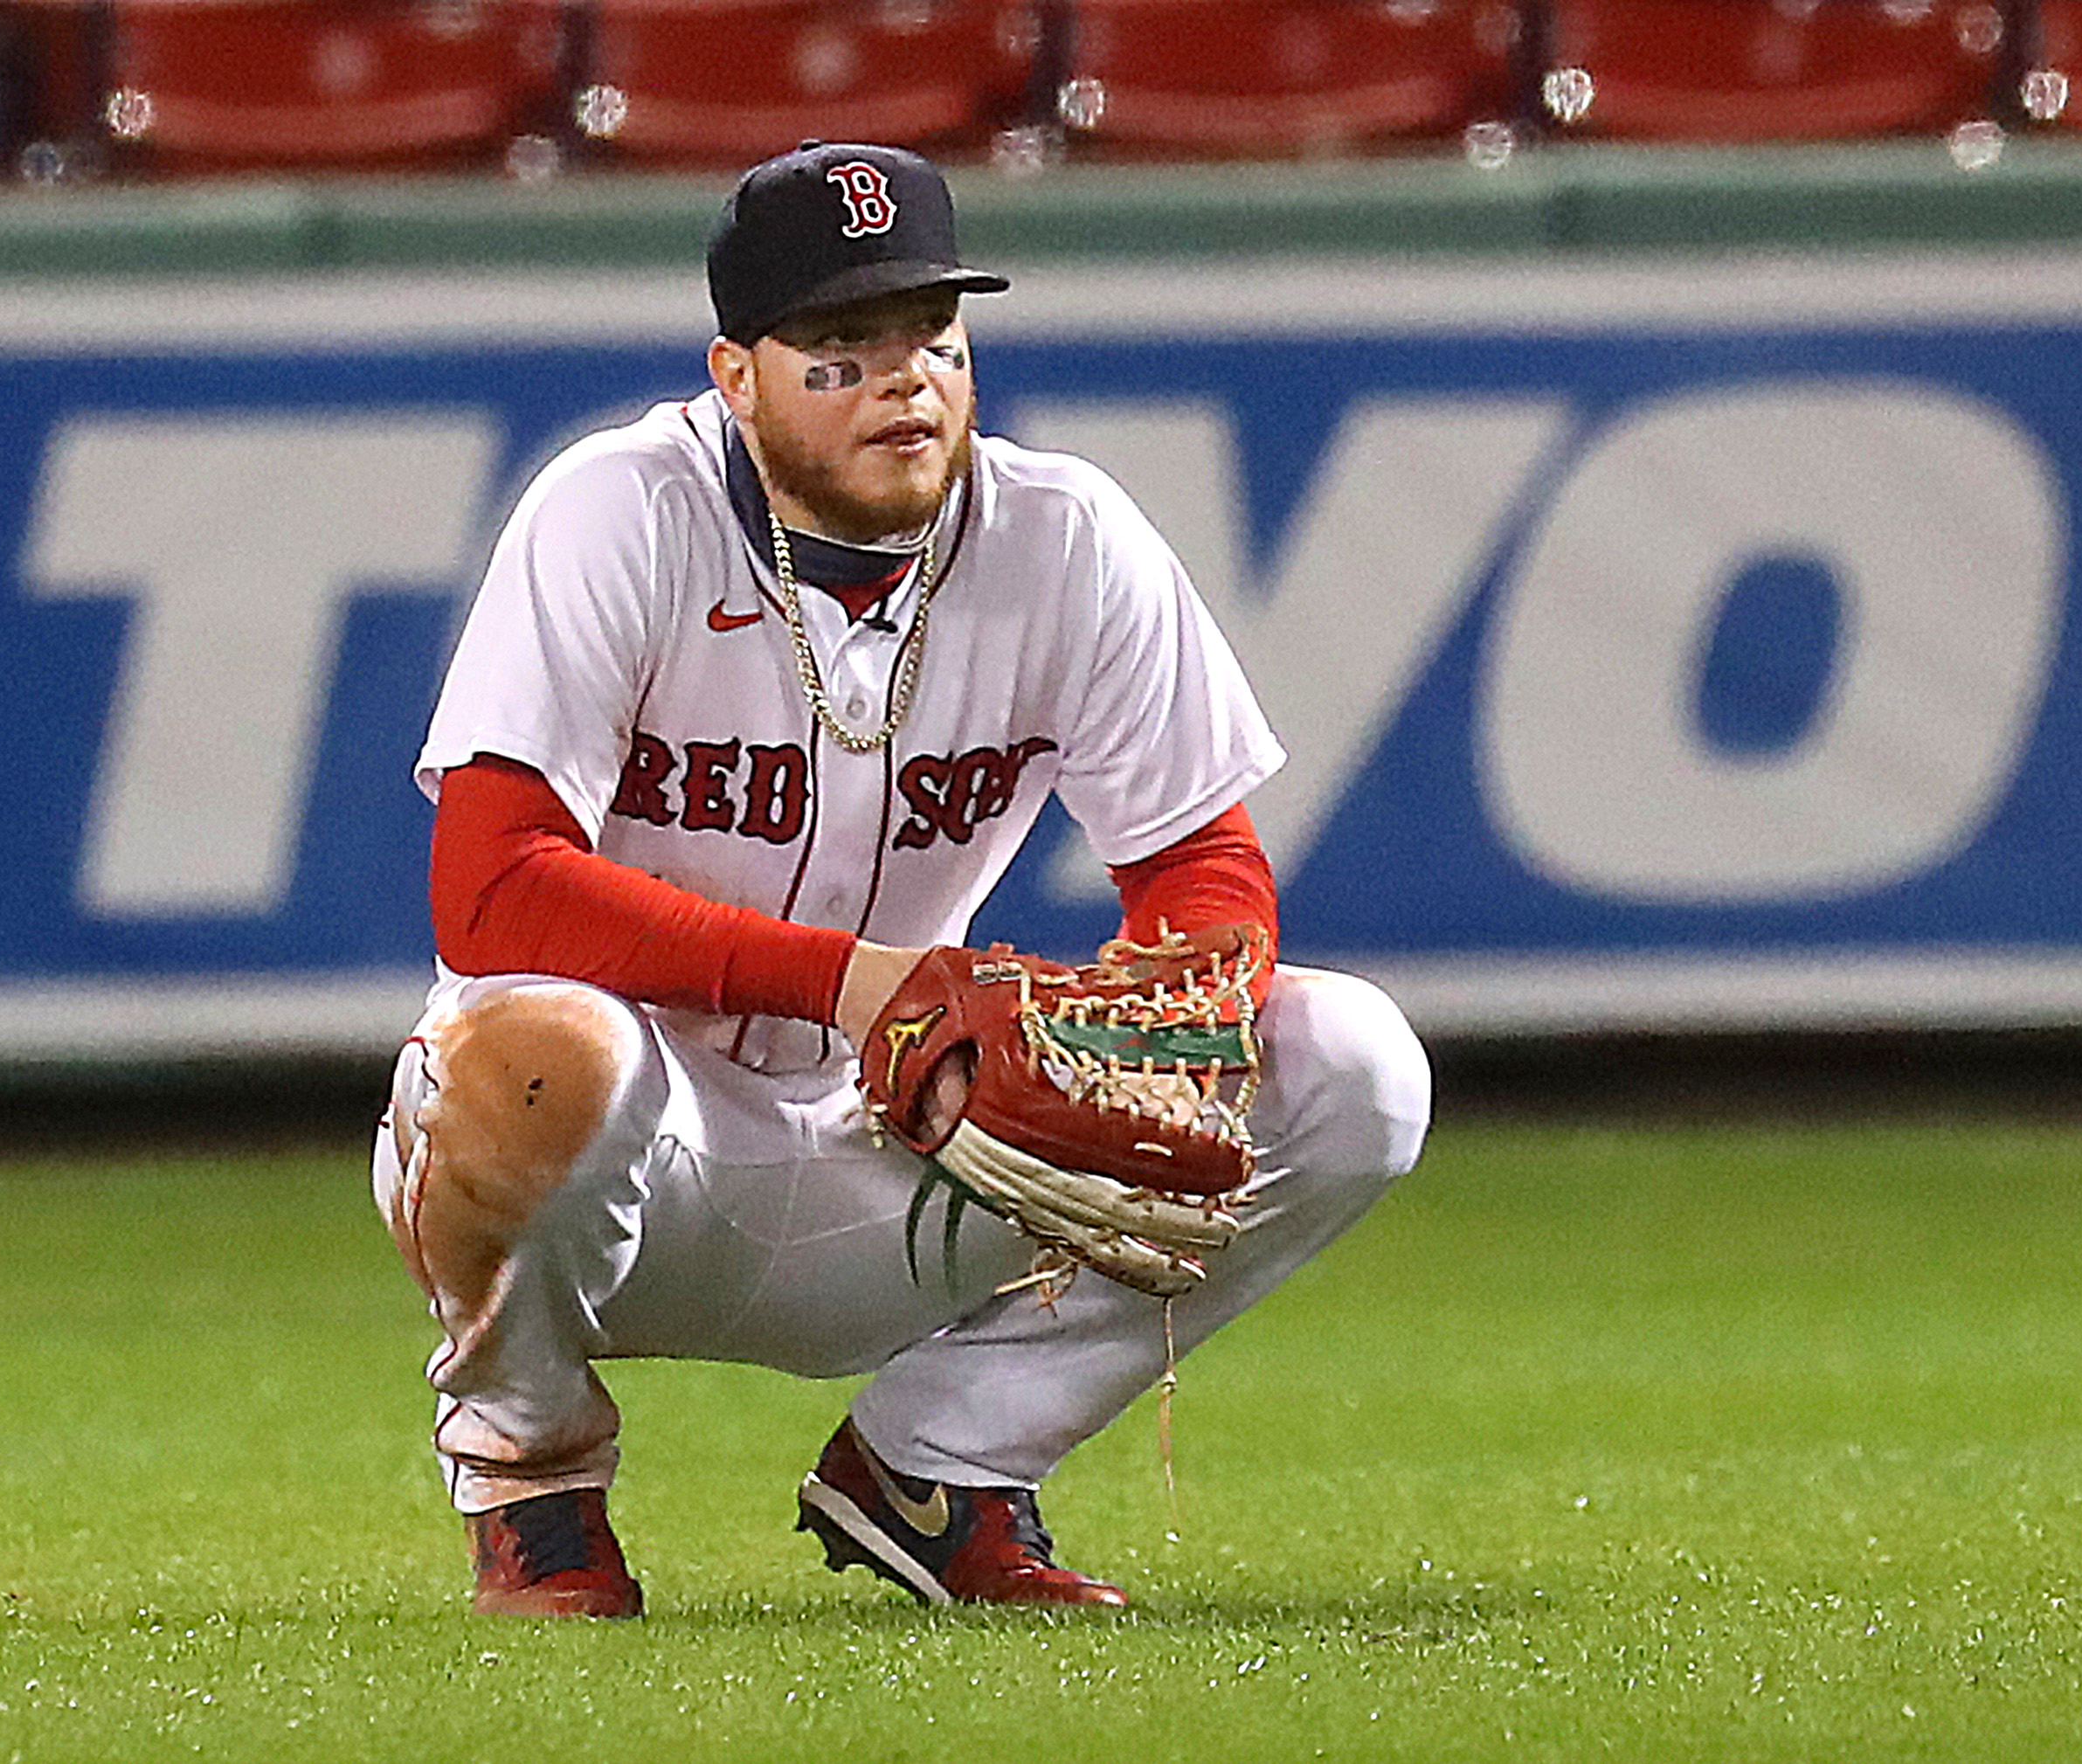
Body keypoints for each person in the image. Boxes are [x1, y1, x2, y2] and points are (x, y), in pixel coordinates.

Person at [369, 141, 1430, 1618]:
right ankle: (530, 1480)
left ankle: (940, 1470)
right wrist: (859, 982)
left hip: (909, 1146)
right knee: (520, 1055)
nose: (906, 379)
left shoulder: (1064, 536)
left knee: (1354, 1068)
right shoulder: (618, 511)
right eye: (843, 349)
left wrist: (1164, 1007)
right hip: (637, 1152)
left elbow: (1202, 859)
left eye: (934, 336)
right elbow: (490, 895)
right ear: (736, 376)